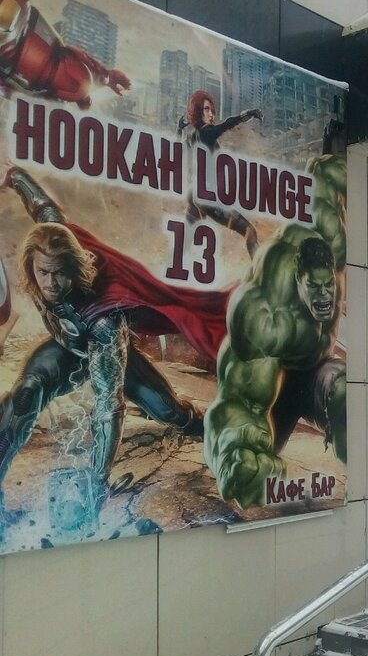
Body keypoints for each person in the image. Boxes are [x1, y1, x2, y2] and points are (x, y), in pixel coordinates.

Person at [0, 167, 231, 533]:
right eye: (43, 273)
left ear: (73, 268)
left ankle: (206, 429)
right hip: (67, 350)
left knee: (167, 411)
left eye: (59, 273)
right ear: (33, 265)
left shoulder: (104, 319)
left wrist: (96, 481)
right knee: (26, 392)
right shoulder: (52, 241)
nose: (51, 283)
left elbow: (109, 406)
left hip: (106, 348)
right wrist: (16, 177)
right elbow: (43, 207)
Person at [204, 154, 347, 508]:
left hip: (315, 369)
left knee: (349, 392)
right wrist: (236, 448)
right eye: (314, 287)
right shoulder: (266, 313)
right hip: (273, 386)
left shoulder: (331, 233)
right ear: (298, 278)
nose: (324, 297)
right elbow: (238, 395)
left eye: (329, 286)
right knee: (248, 464)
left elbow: (326, 173)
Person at [0, 0, 130, 108]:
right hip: (20, 31)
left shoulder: (82, 81)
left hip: (18, 34)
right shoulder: (82, 81)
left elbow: (78, 55)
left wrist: (108, 77)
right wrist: (108, 78)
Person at [178, 90, 263, 256]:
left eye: (212, 110)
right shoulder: (207, 133)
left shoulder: (193, 136)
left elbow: (177, 149)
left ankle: (172, 266)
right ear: (197, 111)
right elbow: (227, 124)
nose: (211, 114)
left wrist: (179, 129)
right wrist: (248, 114)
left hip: (195, 194)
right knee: (249, 231)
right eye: (206, 109)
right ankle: (262, 270)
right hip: (207, 198)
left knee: (185, 241)